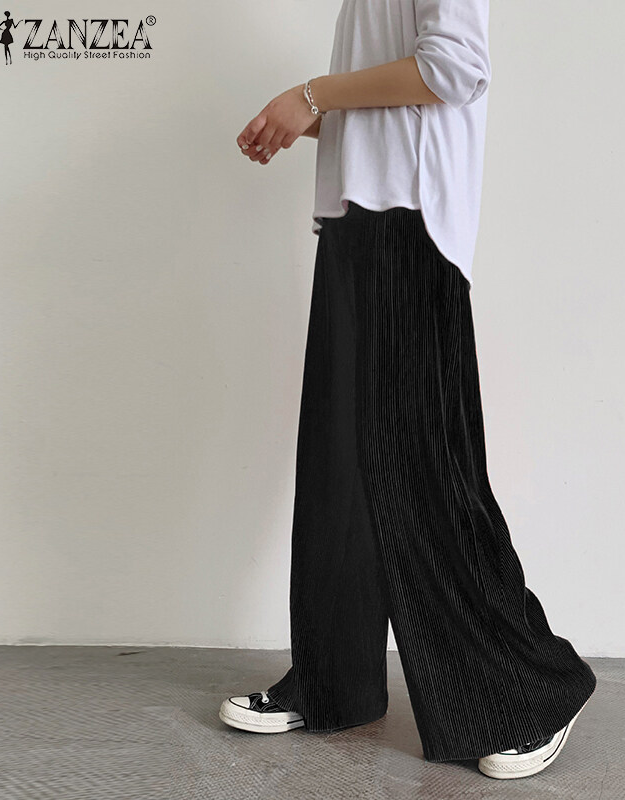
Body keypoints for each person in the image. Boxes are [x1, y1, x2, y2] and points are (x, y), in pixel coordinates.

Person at [222, 0, 597, 780]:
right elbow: (400, 97)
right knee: (339, 469)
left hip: (412, 223)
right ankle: (332, 680)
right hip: (356, 216)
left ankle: (528, 693)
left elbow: (452, 68)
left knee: (423, 470)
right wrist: (310, 119)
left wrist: (312, 95)